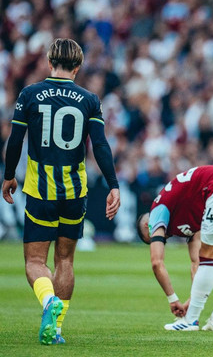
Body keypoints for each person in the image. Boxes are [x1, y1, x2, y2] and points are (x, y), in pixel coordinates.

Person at [1, 38, 121, 345]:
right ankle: (55, 328)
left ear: (48, 61)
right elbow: (101, 146)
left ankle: (47, 302)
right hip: (74, 193)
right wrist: (113, 185)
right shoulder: (89, 99)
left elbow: (15, 140)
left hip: (41, 192)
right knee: (65, 260)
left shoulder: (30, 94)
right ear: (78, 67)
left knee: (34, 261)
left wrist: (9, 176)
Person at [136, 165, 213, 331]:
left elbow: (156, 262)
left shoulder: (157, 210)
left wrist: (172, 299)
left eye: (151, 238)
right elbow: (196, 262)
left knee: (210, 256)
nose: (159, 239)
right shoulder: (180, 215)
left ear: (148, 225)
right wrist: (192, 299)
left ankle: (190, 321)